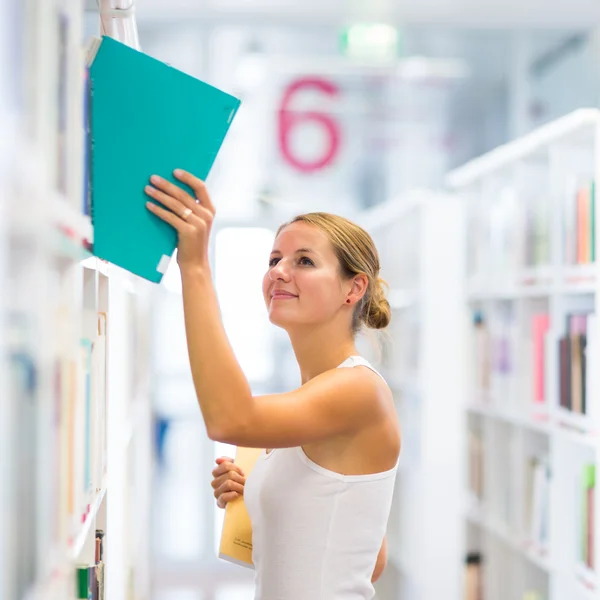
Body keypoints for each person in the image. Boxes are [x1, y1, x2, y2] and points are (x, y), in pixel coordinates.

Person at [145, 169, 401, 600]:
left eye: (304, 260)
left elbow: (229, 418)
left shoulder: (359, 390)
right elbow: (369, 557)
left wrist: (194, 266)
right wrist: (262, 494)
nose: (279, 272)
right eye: (273, 260)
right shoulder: (312, 400)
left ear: (353, 288)